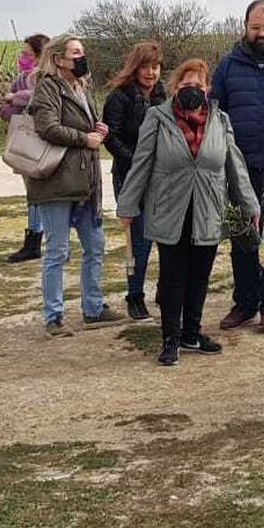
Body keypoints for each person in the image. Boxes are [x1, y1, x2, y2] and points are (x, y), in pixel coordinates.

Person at [118, 58, 257, 365]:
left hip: (208, 209)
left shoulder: (220, 120)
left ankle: (192, 333)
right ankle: (171, 337)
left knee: (200, 275)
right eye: (184, 85)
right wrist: (127, 206)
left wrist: (249, 204)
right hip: (170, 209)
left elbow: (235, 165)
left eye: (197, 85)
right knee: (172, 277)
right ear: (174, 88)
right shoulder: (157, 117)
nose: (191, 90)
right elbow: (141, 163)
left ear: (207, 88)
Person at [26, 34, 126, 336]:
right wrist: (85, 138)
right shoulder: (47, 87)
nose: (81, 58)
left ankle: (93, 308)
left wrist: (97, 130)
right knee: (57, 250)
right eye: (75, 53)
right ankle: (53, 315)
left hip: (86, 180)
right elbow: (47, 127)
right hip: (57, 180)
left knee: (95, 245)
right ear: (58, 58)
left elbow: (81, 127)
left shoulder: (82, 86)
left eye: (82, 52)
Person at [213, 0, 264, 334]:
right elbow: (215, 113)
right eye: (255, 27)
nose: (262, 34)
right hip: (240, 168)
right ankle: (245, 303)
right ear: (245, 27)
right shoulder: (228, 66)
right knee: (244, 238)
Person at [101, 41, 166, 320]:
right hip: (129, 175)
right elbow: (111, 137)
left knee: (166, 235)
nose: (151, 73)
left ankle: (166, 290)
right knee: (138, 239)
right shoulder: (119, 97)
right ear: (135, 67)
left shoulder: (163, 96)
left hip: (161, 177)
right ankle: (134, 294)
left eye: (155, 66)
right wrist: (137, 162)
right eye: (145, 66)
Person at [0, 32, 50, 263]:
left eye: (27, 54)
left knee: (49, 194)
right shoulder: (20, 79)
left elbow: (40, 97)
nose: (22, 58)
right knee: (32, 194)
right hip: (25, 142)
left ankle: (53, 238)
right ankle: (33, 239)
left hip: (47, 143)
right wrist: (12, 108)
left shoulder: (49, 77)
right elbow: (4, 108)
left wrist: (16, 98)